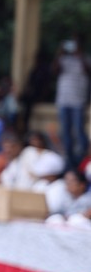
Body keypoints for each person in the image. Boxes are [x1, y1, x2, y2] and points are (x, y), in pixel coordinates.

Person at [52, 35, 91, 171]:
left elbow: (88, 71)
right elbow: (54, 71)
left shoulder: (86, 59)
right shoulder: (63, 59)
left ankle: (82, 159)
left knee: (79, 130)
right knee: (65, 132)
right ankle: (69, 161)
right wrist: (59, 53)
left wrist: (80, 55)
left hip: (78, 101)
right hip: (63, 100)